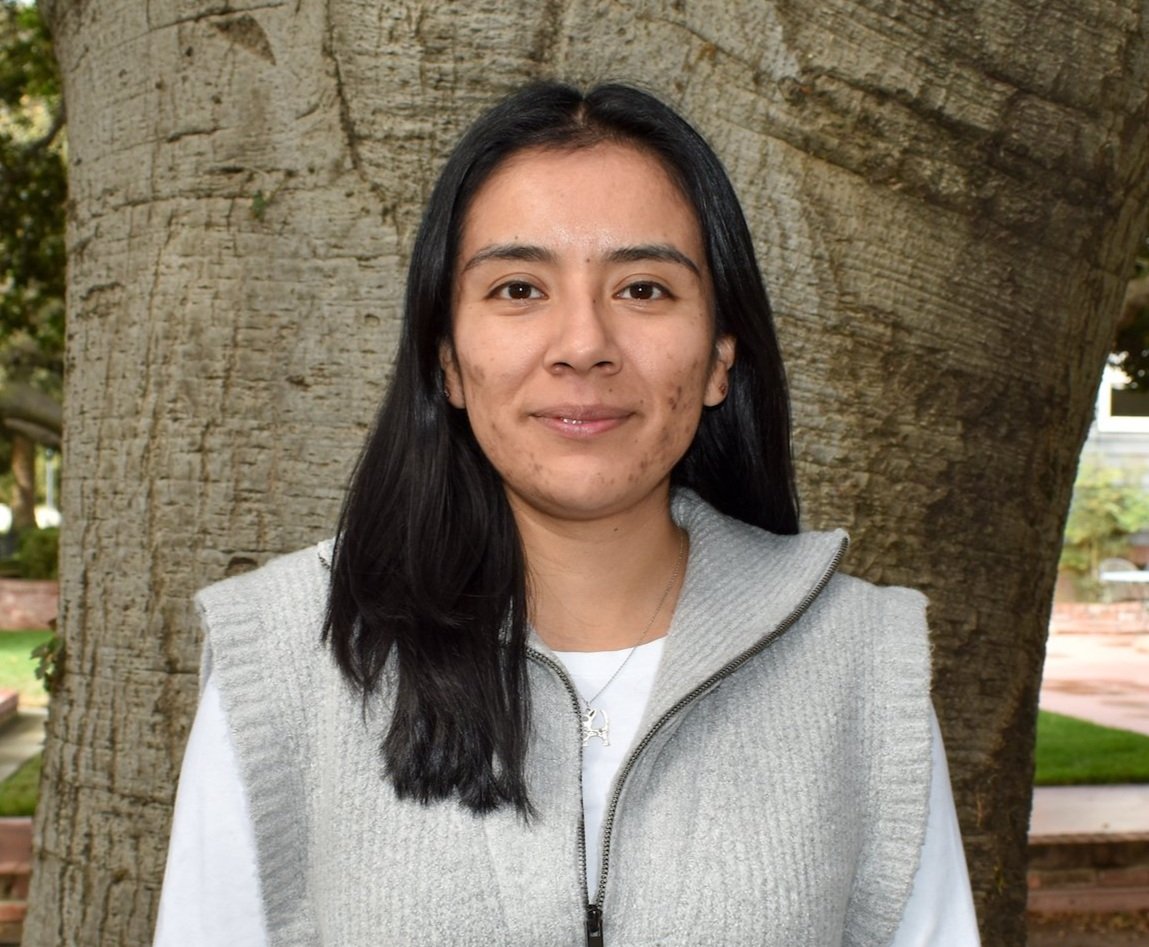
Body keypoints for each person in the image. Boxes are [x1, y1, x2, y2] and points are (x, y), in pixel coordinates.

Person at [154, 81, 980, 946]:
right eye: (517, 288)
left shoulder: (857, 660)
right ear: (447, 360)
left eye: (645, 289)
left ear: (718, 360)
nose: (583, 344)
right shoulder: (290, 652)